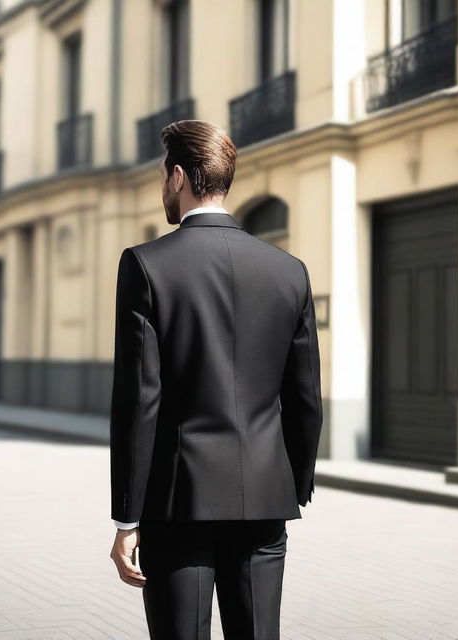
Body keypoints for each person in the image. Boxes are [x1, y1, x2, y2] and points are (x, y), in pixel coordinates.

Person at [108, 119, 323, 639]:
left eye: (163, 174)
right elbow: (305, 397)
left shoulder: (146, 265)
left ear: (178, 176)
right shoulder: (289, 270)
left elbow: (140, 400)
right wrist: (292, 482)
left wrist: (126, 519)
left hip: (179, 502)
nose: (163, 185)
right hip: (265, 496)